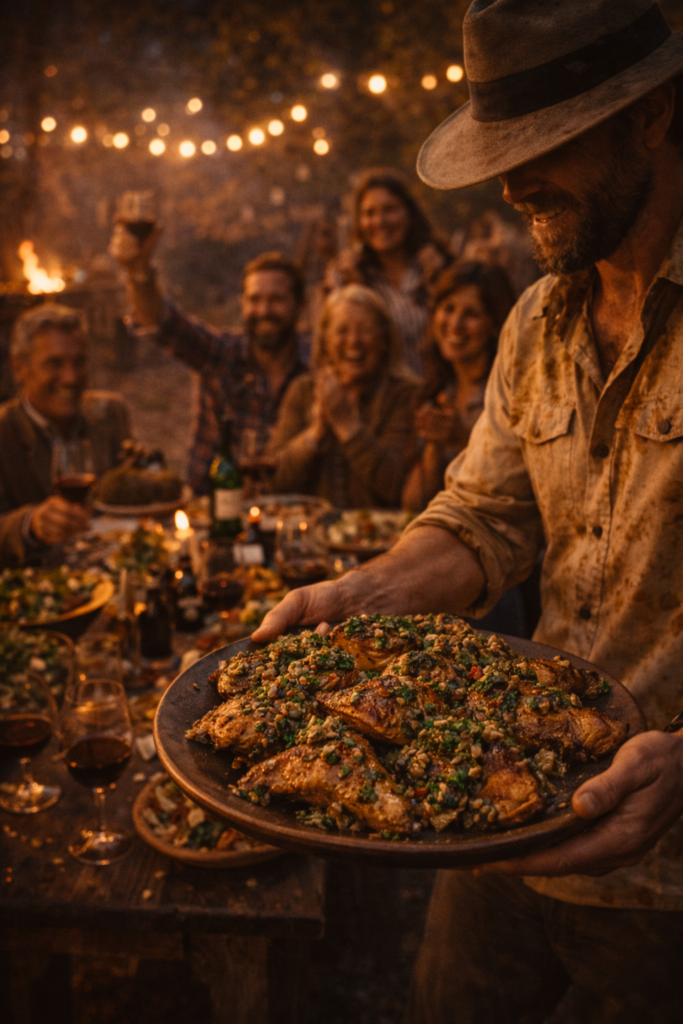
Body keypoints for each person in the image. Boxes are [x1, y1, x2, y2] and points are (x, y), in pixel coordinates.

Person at [253, 1, 683, 1020]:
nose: (507, 179)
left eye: (545, 144)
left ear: (651, 118)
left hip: (663, 875)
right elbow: (484, 517)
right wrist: (365, 590)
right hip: (500, 810)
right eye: (500, 146)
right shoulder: (536, 318)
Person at [110, 226, 309, 493]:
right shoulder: (222, 355)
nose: (264, 310)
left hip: (292, 514)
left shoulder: (317, 366)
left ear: (299, 305)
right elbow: (161, 323)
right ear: (242, 303)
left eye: (276, 300)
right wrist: (138, 273)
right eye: (254, 299)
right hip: (214, 508)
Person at [0, 304, 131, 566]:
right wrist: (30, 525)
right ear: (19, 368)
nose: (71, 378)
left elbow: (126, 502)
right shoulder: (4, 434)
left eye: (79, 362)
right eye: (54, 364)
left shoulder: (110, 413)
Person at [267, 284, 420, 508]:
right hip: (311, 535)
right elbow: (274, 482)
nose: (353, 341)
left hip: (383, 538)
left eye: (365, 330)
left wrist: (346, 424)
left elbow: (397, 488)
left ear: (384, 340)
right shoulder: (304, 391)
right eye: (341, 331)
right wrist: (315, 433)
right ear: (326, 341)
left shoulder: (406, 395)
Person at [402, 261, 516, 511]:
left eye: (471, 314)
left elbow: (517, 487)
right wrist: (435, 445)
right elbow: (412, 506)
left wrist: (463, 439)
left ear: (495, 325)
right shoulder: (438, 392)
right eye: (448, 309)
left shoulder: (509, 394)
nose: (455, 324)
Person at [325, 168, 450, 374]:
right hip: (381, 398)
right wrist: (355, 290)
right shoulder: (348, 276)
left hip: (436, 393)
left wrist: (438, 285)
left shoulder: (435, 265)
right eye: (369, 213)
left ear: (409, 214)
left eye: (389, 210)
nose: (380, 222)